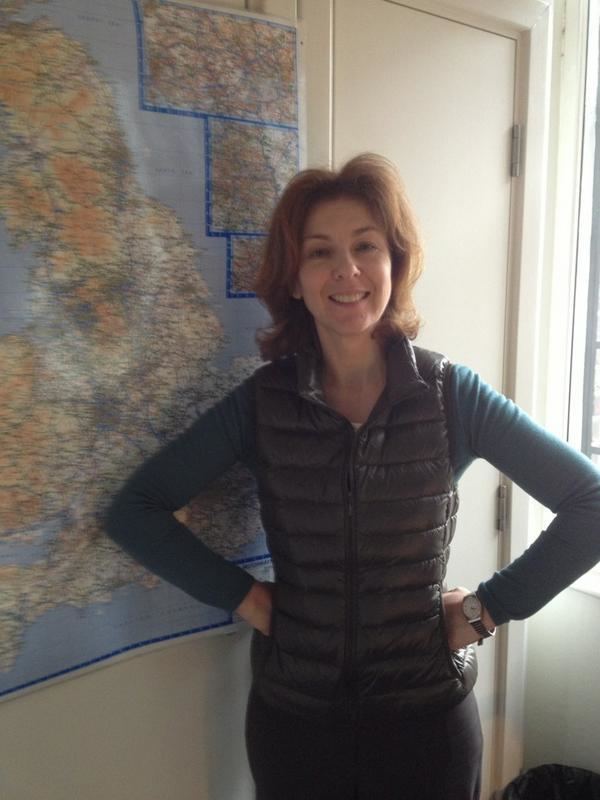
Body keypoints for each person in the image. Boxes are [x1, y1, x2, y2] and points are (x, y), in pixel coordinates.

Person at [106, 154, 600, 800]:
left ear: (395, 262)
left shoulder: (453, 395)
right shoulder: (261, 404)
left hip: (428, 726)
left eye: (366, 246)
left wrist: (488, 609)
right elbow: (135, 510)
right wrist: (247, 598)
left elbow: (590, 502)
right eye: (321, 253)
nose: (347, 271)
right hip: (296, 726)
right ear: (295, 278)